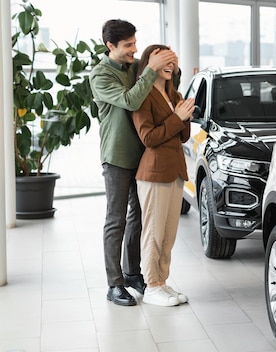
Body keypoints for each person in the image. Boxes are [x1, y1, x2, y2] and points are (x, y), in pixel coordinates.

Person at [89, 19, 180, 306]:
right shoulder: (100, 75)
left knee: (139, 218)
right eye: (128, 45)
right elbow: (130, 100)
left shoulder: (135, 66)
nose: (134, 49)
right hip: (117, 157)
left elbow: (159, 87)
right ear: (110, 46)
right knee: (116, 220)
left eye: (134, 43)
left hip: (143, 155)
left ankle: (132, 273)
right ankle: (114, 284)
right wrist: (150, 69)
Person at [131, 44, 194, 307]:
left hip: (175, 170)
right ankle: (151, 284)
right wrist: (177, 116)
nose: (171, 65)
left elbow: (183, 136)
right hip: (154, 172)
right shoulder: (143, 95)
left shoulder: (174, 93)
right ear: (151, 62)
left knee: (168, 234)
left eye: (174, 60)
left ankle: (162, 281)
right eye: (165, 60)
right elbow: (149, 137)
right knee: (154, 233)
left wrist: (184, 115)